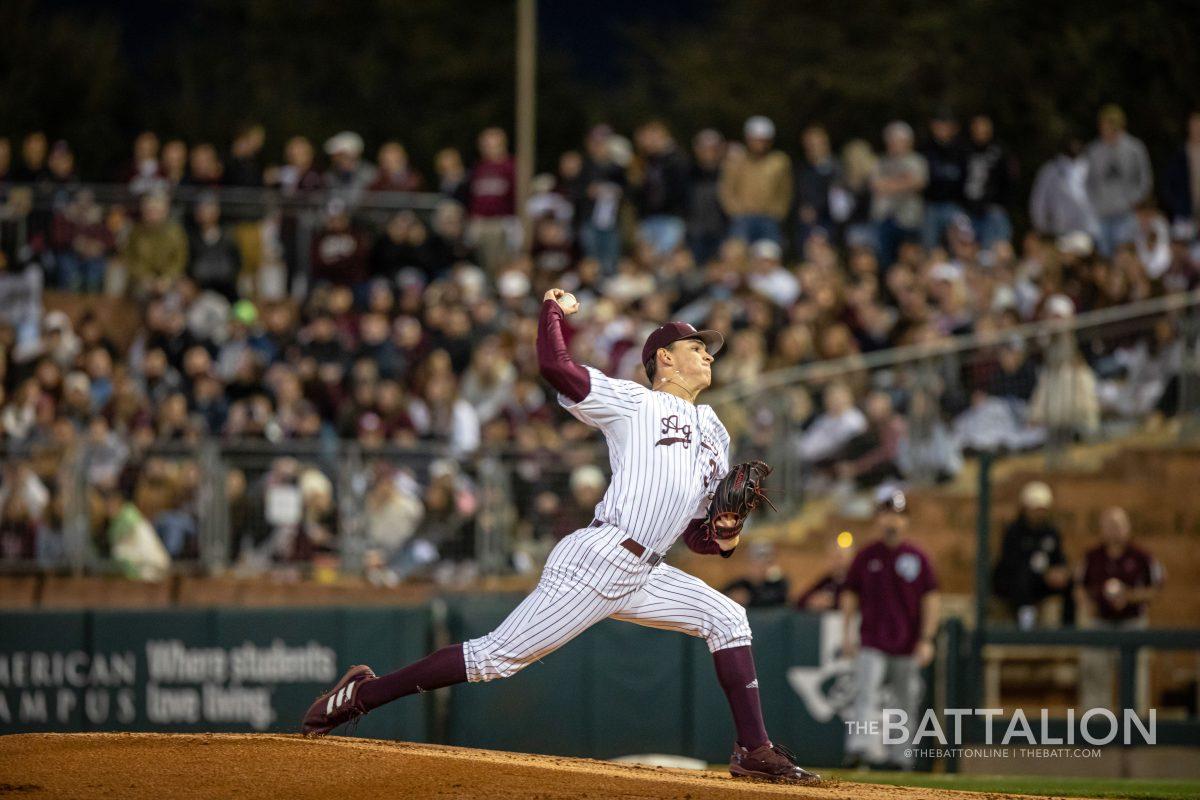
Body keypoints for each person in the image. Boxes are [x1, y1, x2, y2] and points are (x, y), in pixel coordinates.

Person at [301, 290, 821, 785]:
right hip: (599, 557)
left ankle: (753, 751)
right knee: (493, 659)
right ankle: (360, 697)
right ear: (663, 358)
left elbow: (700, 536)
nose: (708, 354)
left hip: (646, 569)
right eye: (696, 346)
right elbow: (556, 368)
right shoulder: (634, 403)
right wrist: (551, 311)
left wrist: (726, 531)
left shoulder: (715, 429)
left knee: (728, 617)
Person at [840, 490, 939, 770]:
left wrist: (927, 639)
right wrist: (847, 633)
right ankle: (860, 750)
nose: (891, 521)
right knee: (865, 695)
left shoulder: (918, 557)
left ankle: (901, 758)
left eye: (897, 515)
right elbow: (850, 594)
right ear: (878, 518)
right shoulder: (866, 555)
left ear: (906, 520)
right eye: (886, 514)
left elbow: (931, 599)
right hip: (872, 639)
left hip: (907, 643)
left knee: (905, 703)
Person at [1077, 506, 1165, 711]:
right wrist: (1088, 606)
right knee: (1095, 676)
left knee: (1135, 678)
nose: (1114, 530)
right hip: (1100, 623)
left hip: (1132, 623)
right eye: (1109, 525)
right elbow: (1080, 587)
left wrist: (1129, 597)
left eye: (1118, 525)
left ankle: (1133, 731)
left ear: (1127, 527)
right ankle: (1096, 729)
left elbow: (1156, 588)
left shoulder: (1142, 556)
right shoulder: (1092, 557)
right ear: (1101, 529)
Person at [992, 481, 1071, 628]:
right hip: (1014, 582)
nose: (1038, 513)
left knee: (1069, 581)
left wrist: (1059, 571)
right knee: (1022, 577)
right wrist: (1042, 573)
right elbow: (1011, 562)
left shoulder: (1051, 532)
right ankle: (1026, 623)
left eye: (1041, 509)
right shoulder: (1014, 531)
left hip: (1042, 583)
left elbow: (1059, 557)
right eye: (1035, 509)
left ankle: (1068, 626)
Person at [1086, 105, 1153, 257]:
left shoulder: (1134, 148)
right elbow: (1088, 183)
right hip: (1102, 215)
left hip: (1126, 214)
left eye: (1107, 126)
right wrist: (1095, 204)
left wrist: (1134, 200)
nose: (1104, 129)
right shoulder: (1094, 151)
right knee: (1104, 257)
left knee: (1125, 255)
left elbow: (1145, 179)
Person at [719, 116, 792, 245]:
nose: (759, 144)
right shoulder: (735, 161)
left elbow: (786, 190)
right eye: (755, 140)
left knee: (769, 253)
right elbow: (726, 189)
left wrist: (778, 212)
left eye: (763, 140)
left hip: (769, 218)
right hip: (742, 218)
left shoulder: (779, 162)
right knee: (739, 253)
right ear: (748, 139)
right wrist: (736, 211)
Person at [872, 121, 928, 267]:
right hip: (885, 218)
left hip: (909, 219)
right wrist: (904, 182)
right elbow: (876, 185)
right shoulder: (881, 162)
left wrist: (889, 184)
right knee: (886, 261)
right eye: (891, 140)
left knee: (910, 259)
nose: (893, 144)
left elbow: (918, 183)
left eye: (897, 140)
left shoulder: (917, 161)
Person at [631, 120, 689, 256]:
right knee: (646, 258)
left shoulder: (676, 158)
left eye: (652, 137)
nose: (648, 142)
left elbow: (680, 189)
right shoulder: (644, 161)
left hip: (671, 217)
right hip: (648, 217)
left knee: (665, 258)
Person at [467, 127, 519, 273]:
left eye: (492, 144)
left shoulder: (511, 166)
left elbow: (518, 195)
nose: (488, 149)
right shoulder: (479, 167)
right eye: (485, 145)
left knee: (502, 265)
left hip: (502, 222)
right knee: (483, 264)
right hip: (481, 222)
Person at [1029, 135, 1100, 239]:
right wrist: (1041, 225)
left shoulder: (1089, 166)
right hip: (1060, 229)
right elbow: (1039, 200)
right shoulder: (1051, 169)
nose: (1075, 147)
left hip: (1088, 228)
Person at [963, 114, 1016, 247]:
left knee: (994, 250)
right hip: (969, 211)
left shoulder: (1000, 152)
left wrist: (1003, 205)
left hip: (993, 210)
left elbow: (1009, 182)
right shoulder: (964, 151)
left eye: (984, 130)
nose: (980, 133)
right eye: (977, 130)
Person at [920, 109, 967, 251]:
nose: (942, 129)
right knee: (929, 245)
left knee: (960, 243)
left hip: (955, 205)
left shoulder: (962, 150)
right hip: (931, 205)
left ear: (953, 128)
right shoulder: (925, 149)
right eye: (939, 125)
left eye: (946, 125)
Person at [793, 125, 840, 253]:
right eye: (808, 145)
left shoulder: (837, 169)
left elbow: (840, 203)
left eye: (816, 144)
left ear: (825, 144)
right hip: (806, 222)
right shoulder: (801, 170)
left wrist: (815, 208)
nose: (812, 148)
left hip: (831, 221)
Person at [724, 541, 790, 608]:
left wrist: (749, 598)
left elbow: (776, 600)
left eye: (766, 563)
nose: (761, 568)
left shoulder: (779, 584)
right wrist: (730, 598)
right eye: (755, 563)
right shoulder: (739, 584)